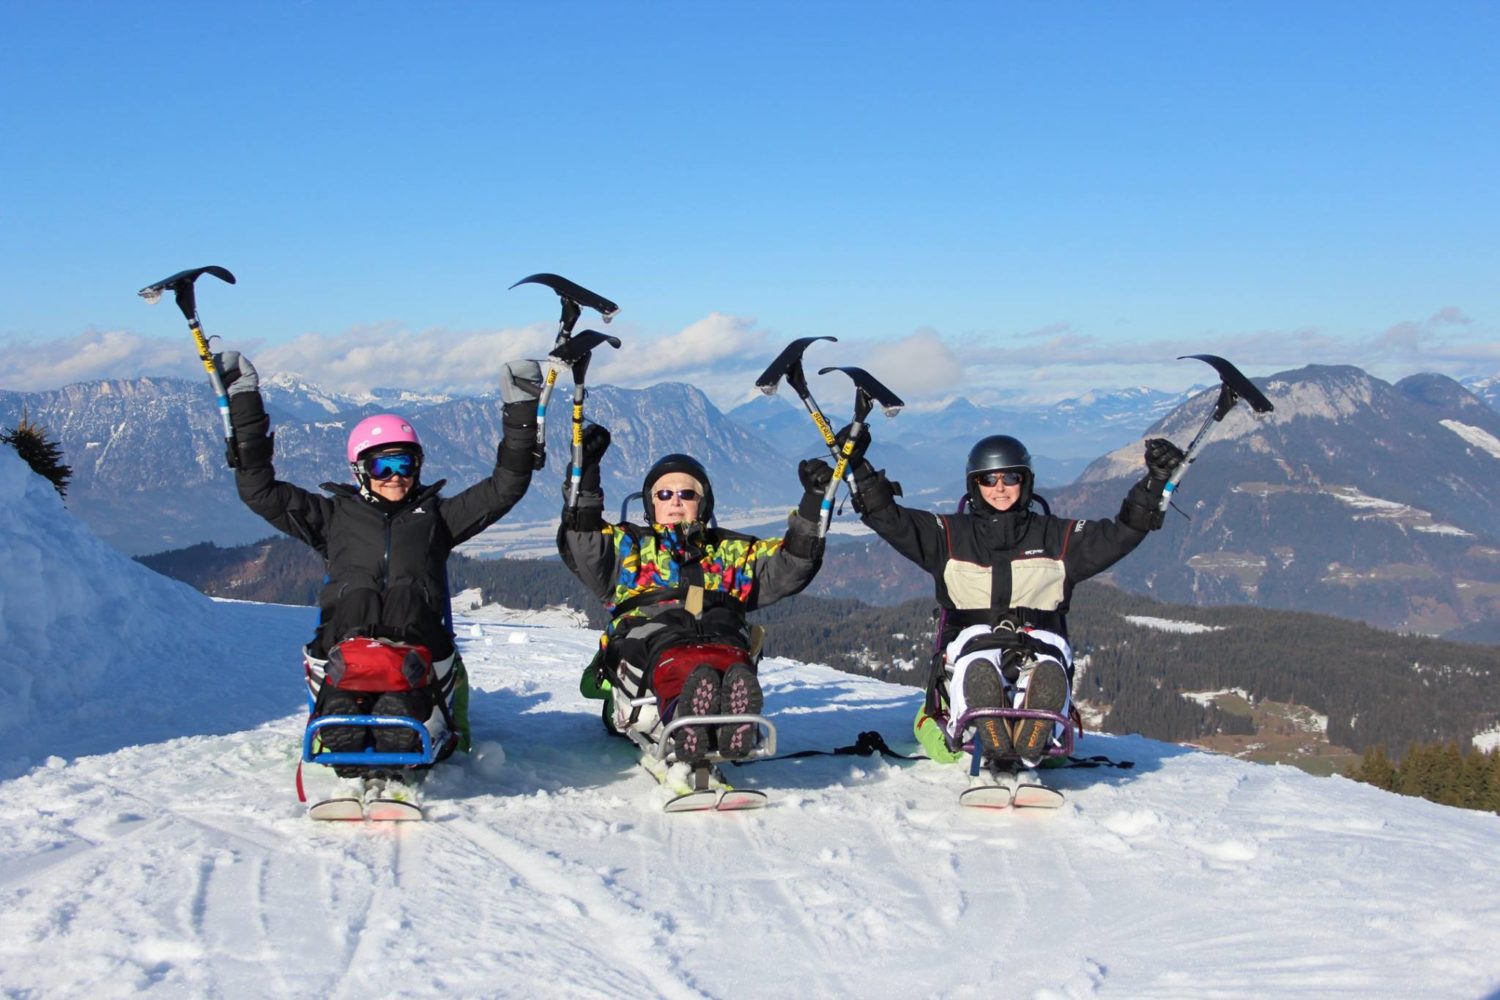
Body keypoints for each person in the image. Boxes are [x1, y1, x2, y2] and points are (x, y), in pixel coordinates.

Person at [216, 348, 543, 772]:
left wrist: (521, 411)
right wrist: (244, 404)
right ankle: (346, 722)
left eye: (404, 463)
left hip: (416, 654)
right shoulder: (332, 519)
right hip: (346, 649)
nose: (395, 476)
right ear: (360, 470)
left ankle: (395, 722)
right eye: (382, 465)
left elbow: (505, 486)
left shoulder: (437, 519)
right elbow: (259, 490)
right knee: (357, 612)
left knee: (404, 635)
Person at [804, 432, 1184, 766]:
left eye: (1010, 477)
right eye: (989, 479)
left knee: (1045, 661)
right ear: (975, 485)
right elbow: (888, 517)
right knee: (975, 661)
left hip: (1038, 644)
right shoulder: (947, 536)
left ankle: (1029, 719)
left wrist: (1156, 483)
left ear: (1026, 481)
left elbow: (1121, 533)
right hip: (971, 648)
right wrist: (857, 466)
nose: (1000, 487)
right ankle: (993, 720)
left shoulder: (1058, 537)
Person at [557, 426, 827, 761]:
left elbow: (790, 566)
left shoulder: (733, 550)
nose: (675, 502)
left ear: (703, 503)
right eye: (664, 495)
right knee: (676, 653)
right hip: (650, 641)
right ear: (650, 503)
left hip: (719, 633)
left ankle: (723, 718)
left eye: (687, 494)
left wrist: (814, 502)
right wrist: (586, 472)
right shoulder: (629, 546)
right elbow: (583, 539)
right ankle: (689, 719)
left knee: (726, 648)